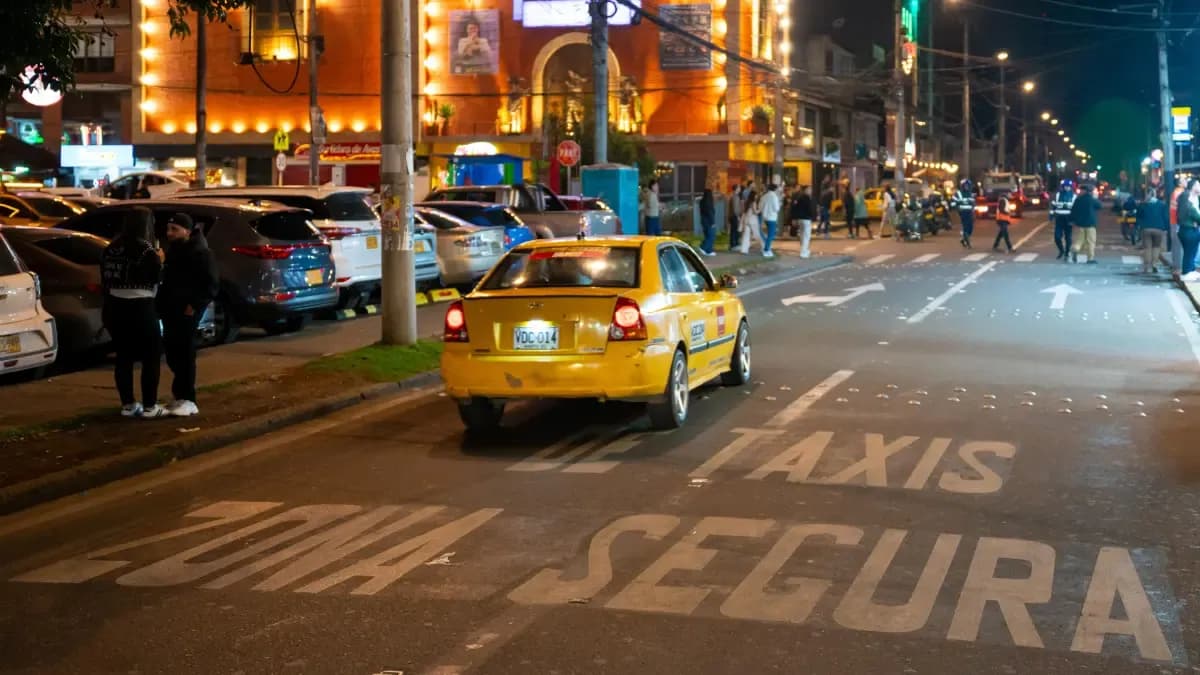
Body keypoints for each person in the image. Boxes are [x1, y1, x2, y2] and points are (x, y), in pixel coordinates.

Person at [100, 208, 166, 419]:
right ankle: (150, 406)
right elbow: (155, 277)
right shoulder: (146, 249)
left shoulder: (111, 248)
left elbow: (105, 277)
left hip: (114, 307)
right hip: (141, 307)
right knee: (151, 356)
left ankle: (128, 404)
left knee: (124, 357)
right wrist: (160, 261)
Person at [158, 212, 219, 417]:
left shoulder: (200, 252)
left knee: (184, 352)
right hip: (171, 308)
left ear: (187, 230)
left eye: (174, 229)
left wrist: (194, 304)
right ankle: (180, 396)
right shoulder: (175, 250)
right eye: (168, 229)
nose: (170, 233)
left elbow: (210, 284)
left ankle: (188, 398)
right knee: (173, 351)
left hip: (186, 309)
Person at [1137, 187, 1169, 275]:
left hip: (1146, 228)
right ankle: (1154, 264)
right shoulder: (1162, 205)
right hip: (1158, 229)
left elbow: (1138, 216)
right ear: (1155, 194)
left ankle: (1147, 266)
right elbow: (1165, 217)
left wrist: (1140, 226)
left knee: (1147, 248)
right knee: (1156, 247)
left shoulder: (1143, 204)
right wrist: (1166, 228)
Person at [1070, 183, 1102, 264]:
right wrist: (1095, 197)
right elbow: (1099, 206)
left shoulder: (1078, 200)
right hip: (1090, 224)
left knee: (1080, 240)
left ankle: (1075, 249)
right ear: (1090, 192)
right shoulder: (1092, 199)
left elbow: (1073, 211)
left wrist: (1072, 221)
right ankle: (1090, 258)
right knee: (1091, 241)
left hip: (1080, 224)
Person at [1050, 179, 1076, 260]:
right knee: (1057, 237)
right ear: (1063, 187)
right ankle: (1061, 250)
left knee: (1068, 238)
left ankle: (1067, 252)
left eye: (1068, 186)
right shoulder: (1057, 195)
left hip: (1069, 219)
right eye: (1065, 186)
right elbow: (1053, 206)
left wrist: (1075, 219)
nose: (1067, 188)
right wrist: (1051, 215)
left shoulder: (1074, 196)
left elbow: (1076, 209)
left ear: (1071, 187)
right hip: (1059, 218)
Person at [1180, 179, 1200, 281]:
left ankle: (1191, 270)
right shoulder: (1188, 201)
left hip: (1193, 229)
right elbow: (1195, 215)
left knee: (1192, 251)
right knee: (1189, 251)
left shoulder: (1195, 199)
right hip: (1189, 229)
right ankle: (1186, 272)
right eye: (1198, 185)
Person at [739, 186, 766, 254]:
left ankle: (744, 249)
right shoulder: (753, 202)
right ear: (754, 196)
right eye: (756, 195)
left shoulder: (747, 202)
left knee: (746, 235)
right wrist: (760, 209)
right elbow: (755, 212)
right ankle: (764, 247)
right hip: (753, 220)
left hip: (746, 220)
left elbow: (744, 211)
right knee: (757, 234)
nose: (757, 196)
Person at [951, 179, 976, 248]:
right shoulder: (958, 193)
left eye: (968, 185)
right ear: (962, 186)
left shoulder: (971, 194)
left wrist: (973, 209)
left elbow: (973, 203)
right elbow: (952, 203)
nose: (967, 187)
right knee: (965, 227)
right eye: (965, 185)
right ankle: (968, 243)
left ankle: (963, 239)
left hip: (969, 212)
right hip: (962, 213)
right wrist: (958, 207)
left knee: (970, 227)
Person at [759, 183, 781, 258]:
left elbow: (760, 207)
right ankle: (766, 250)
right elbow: (776, 208)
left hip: (765, 217)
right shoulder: (774, 197)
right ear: (775, 189)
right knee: (771, 235)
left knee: (768, 234)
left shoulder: (764, 196)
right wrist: (779, 204)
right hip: (772, 217)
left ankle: (767, 247)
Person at [792, 185, 815, 257]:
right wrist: (813, 216)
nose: (811, 191)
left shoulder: (799, 198)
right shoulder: (807, 198)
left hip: (800, 219)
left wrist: (794, 218)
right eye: (810, 189)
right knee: (806, 236)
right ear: (806, 190)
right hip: (806, 219)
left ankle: (804, 250)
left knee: (802, 235)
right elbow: (809, 209)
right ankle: (804, 252)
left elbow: (795, 208)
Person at [697, 185, 716, 257]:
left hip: (703, 221)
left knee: (707, 235)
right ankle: (703, 247)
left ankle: (709, 250)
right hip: (709, 221)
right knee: (711, 236)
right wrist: (713, 222)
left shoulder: (702, 202)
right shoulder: (709, 203)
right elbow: (710, 213)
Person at [728, 183, 743, 251]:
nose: (740, 189)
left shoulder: (733, 195)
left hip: (732, 216)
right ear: (736, 189)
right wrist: (738, 216)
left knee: (733, 231)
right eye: (739, 187)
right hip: (734, 216)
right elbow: (735, 208)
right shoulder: (735, 196)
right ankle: (734, 245)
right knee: (735, 231)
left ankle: (733, 245)